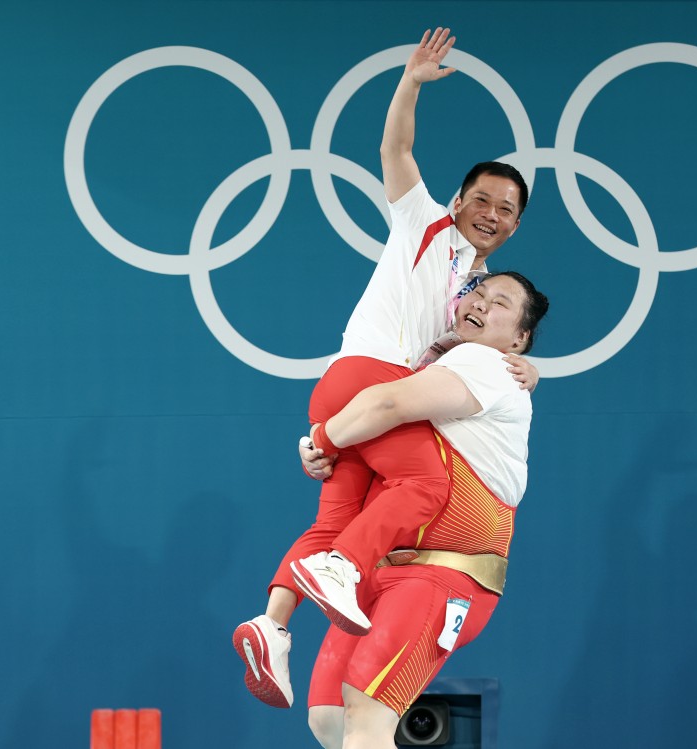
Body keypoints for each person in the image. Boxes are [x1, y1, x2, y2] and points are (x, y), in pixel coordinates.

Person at [232, 27, 534, 709]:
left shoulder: (480, 294)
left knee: (337, 516)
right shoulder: (424, 223)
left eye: (506, 210)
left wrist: (528, 368)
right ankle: (340, 570)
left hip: (358, 395)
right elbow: (394, 149)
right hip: (371, 378)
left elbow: (476, 361)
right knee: (427, 484)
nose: (491, 214)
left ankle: (271, 625)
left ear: (514, 227)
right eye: (482, 199)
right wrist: (410, 83)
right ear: (457, 201)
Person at [304, 271, 549, 749]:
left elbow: (387, 402)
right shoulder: (437, 361)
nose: (480, 303)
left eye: (499, 303)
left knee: (367, 712)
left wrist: (320, 437)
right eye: (476, 292)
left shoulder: (486, 363)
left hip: (443, 575)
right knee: (329, 719)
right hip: (379, 572)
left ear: (519, 339)